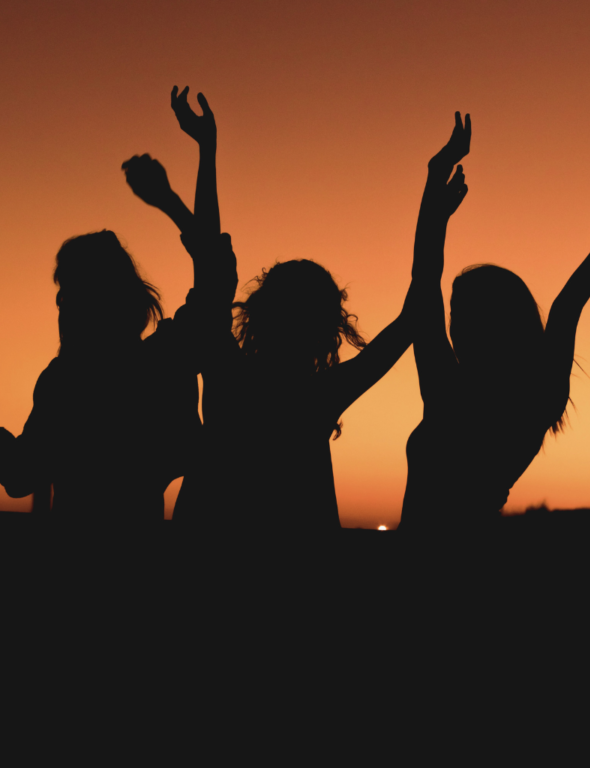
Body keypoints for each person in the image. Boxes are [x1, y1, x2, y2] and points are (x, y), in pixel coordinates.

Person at [128, 86, 424, 531]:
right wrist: (434, 214)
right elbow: (414, 315)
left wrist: (199, 161)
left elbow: (210, 267)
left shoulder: (229, 370)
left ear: (261, 311)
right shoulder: (320, 394)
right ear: (327, 327)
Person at [400, 112, 590, 529]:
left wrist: (435, 186)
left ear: (493, 322)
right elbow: (566, 308)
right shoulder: (536, 397)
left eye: (463, 314)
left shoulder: (448, 390)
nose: (453, 326)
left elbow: (424, 278)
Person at [0, 98, 212, 518]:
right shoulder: (156, 361)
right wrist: (177, 191)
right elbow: (214, 279)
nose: (61, 300)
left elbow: (18, 473)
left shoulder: (67, 381)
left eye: (69, 288)